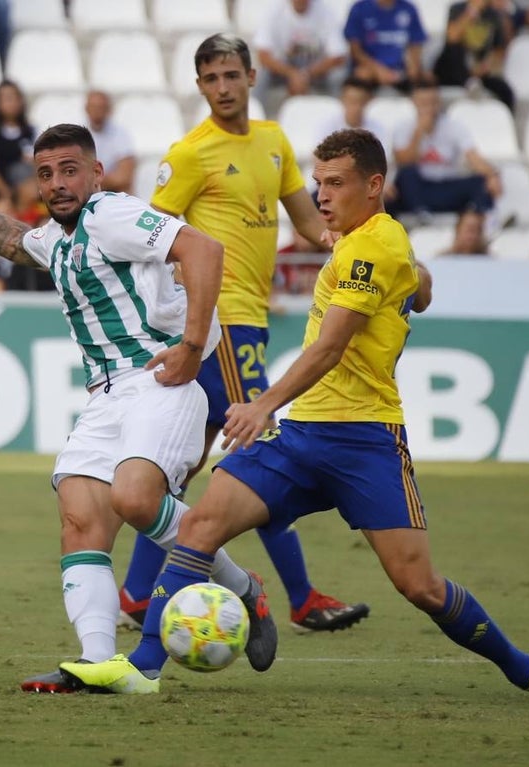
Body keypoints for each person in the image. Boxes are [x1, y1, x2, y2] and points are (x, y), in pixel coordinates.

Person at [62, 128, 529, 704]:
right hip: (302, 436)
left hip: (365, 440)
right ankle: (143, 667)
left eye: (336, 183)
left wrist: (262, 405)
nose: (321, 195)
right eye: (318, 182)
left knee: (419, 585)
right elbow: (421, 288)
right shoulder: (368, 241)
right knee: (199, 527)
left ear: (374, 186)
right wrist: (414, 279)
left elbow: (330, 347)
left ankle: (527, 671)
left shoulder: (373, 247)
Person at [0, 125, 279, 693]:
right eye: (46, 174)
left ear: (96, 173)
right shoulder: (58, 239)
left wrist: (192, 346)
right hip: (104, 397)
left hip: (158, 381)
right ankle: (98, 662)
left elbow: (203, 249)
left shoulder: (110, 214)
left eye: (70, 170)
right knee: (79, 521)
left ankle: (242, 589)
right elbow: (13, 239)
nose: (57, 184)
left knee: (135, 500)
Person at [117, 34, 369, 638]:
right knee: (263, 450)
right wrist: (182, 295)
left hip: (250, 317)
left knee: (186, 469)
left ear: (252, 76)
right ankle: (301, 597)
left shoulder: (274, 141)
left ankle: (135, 593)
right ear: (199, 86)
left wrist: (358, 243)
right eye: (211, 78)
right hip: (221, 322)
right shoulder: (190, 154)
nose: (223, 87)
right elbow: (152, 235)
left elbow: (309, 223)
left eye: (231, 74)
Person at [389, 81, 501, 221]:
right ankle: (420, 214)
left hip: (446, 186)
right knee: (406, 175)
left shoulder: (454, 126)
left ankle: (485, 221)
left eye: (433, 103)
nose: (429, 108)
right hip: (417, 188)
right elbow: (404, 161)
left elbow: (473, 157)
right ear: (414, 103)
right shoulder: (403, 127)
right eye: (424, 103)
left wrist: (492, 175)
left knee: (481, 183)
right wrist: (419, 133)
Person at [253, 0, 349, 99]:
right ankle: (252, 108)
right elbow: (263, 55)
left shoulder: (326, 11)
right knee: (260, 75)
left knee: (338, 76)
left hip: (316, 70)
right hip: (283, 69)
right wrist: (292, 74)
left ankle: (338, 107)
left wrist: (306, 74)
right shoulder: (274, 10)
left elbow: (338, 56)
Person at [433, 0, 515, 111]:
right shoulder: (457, 9)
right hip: (452, 69)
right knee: (454, 50)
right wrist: (472, 12)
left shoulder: (493, 14)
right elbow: (452, 37)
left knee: (505, 91)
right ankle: (469, 82)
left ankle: (505, 118)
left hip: (478, 70)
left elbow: (499, 50)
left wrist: (485, 66)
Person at [343, 0, 430, 92]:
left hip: (401, 70)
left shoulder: (409, 9)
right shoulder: (359, 8)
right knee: (361, 77)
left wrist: (414, 66)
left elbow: (416, 43)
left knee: (427, 82)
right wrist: (378, 70)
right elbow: (355, 50)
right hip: (370, 69)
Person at [84, 90, 136, 195]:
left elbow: (124, 177)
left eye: (101, 107)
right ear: (86, 109)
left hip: (113, 193)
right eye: (93, 107)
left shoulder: (121, 134)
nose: (97, 111)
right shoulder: (78, 133)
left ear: (109, 110)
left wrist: (91, 180)